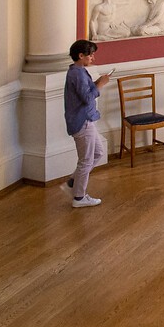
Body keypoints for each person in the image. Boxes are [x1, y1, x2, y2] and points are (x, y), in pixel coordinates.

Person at [65, 40, 109, 208]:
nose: (93, 58)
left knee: (98, 152)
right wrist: (100, 85)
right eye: (90, 55)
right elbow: (87, 98)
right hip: (82, 122)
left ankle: (74, 181)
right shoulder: (77, 74)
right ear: (81, 55)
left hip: (87, 120)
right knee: (86, 160)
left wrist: (95, 83)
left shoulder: (79, 71)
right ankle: (79, 197)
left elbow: (85, 92)